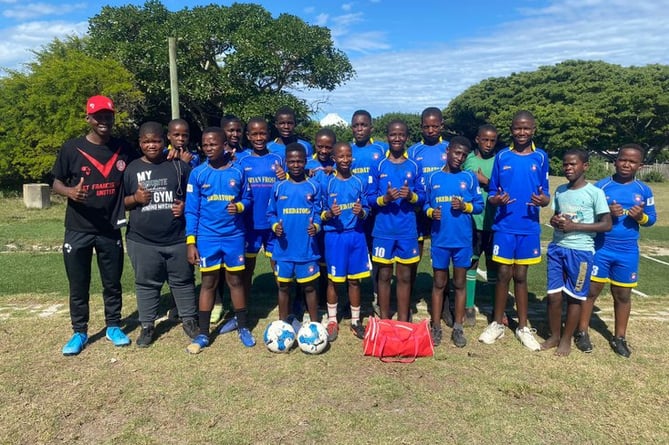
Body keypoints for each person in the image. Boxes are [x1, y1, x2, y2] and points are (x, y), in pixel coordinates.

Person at [52, 95, 137, 355]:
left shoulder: (123, 148)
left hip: (110, 227)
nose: (103, 120)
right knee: (79, 284)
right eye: (98, 116)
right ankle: (79, 331)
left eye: (107, 115)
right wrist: (69, 192)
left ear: (113, 117)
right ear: (88, 118)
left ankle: (113, 325)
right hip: (78, 228)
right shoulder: (72, 148)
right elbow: (54, 181)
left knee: (112, 283)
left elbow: (148, 161)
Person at [575, 143, 656, 357]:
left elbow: (651, 220)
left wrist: (641, 217)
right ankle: (581, 331)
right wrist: (607, 213)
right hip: (601, 248)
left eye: (632, 161)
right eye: (623, 159)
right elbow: (588, 216)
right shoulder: (601, 187)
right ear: (615, 160)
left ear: (641, 165)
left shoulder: (643, 190)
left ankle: (620, 337)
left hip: (627, 251)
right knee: (591, 291)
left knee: (622, 294)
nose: (626, 164)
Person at [478, 110, 550, 351]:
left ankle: (523, 326)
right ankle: (497, 323)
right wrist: (497, 200)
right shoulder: (502, 157)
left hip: (528, 227)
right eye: (518, 128)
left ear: (533, 129)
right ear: (511, 130)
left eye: (526, 128)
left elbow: (546, 194)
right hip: (504, 227)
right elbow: (493, 193)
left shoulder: (541, 157)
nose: (522, 132)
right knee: (503, 275)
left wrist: (543, 201)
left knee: (521, 276)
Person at [123, 121, 199, 347]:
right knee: (146, 283)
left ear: (163, 140)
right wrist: (135, 199)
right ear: (139, 143)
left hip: (177, 237)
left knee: (183, 281)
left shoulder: (178, 166)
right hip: (142, 240)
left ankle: (189, 320)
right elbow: (121, 203)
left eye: (156, 141)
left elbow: (196, 198)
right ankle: (147, 326)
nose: (152, 145)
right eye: (146, 142)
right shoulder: (132, 169)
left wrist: (184, 205)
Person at [184, 127, 255, 354]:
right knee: (208, 283)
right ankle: (204, 333)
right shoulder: (198, 173)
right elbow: (191, 211)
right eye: (205, 145)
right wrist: (191, 242)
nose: (209, 148)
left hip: (234, 236)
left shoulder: (239, 171)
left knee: (235, 281)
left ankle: (243, 326)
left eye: (213, 144)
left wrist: (240, 206)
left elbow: (248, 198)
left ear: (225, 145)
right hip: (207, 237)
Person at [541, 149, 611, 356]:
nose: (568, 168)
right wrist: (554, 222)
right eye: (565, 164)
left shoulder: (595, 193)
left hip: (581, 252)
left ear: (585, 166)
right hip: (557, 248)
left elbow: (606, 224)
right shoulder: (561, 190)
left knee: (574, 297)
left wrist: (575, 227)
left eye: (573, 164)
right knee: (553, 296)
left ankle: (566, 339)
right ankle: (554, 335)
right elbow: (557, 217)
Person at [423, 136, 483, 347]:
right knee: (439, 283)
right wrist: (431, 212)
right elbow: (425, 205)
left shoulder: (469, 178)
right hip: (440, 240)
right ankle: (436, 326)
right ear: (447, 151)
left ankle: (458, 327)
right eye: (457, 153)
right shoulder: (433, 178)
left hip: (462, 240)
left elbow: (478, 205)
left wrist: (464, 207)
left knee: (459, 283)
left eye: (464, 155)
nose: (459, 158)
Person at [368, 120, 425, 322]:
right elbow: (369, 198)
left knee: (404, 276)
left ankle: (402, 320)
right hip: (383, 230)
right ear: (388, 136)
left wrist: (411, 196)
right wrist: (386, 199)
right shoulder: (378, 166)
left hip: (407, 230)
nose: (397, 138)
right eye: (393, 134)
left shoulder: (415, 166)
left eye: (401, 134)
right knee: (383, 276)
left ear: (407, 137)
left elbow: (423, 197)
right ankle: (384, 320)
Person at [266, 143, 322, 331]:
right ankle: (283, 326)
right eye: (292, 161)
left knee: (309, 288)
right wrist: (275, 227)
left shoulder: (314, 186)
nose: (296, 165)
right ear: (286, 162)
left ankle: (315, 326)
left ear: (305, 162)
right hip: (283, 249)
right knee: (283, 287)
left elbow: (320, 213)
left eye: (299, 161)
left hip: (306, 249)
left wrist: (315, 226)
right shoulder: (278, 186)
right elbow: (270, 213)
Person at [320, 142, 372, 341]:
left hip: (356, 236)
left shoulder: (359, 182)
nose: (345, 160)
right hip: (335, 237)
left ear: (352, 158)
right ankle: (333, 320)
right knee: (334, 280)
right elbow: (319, 214)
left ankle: (356, 321)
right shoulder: (327, 184)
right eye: (340, 156)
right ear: (334, 158)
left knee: (354, 280)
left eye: (348, 156)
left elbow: (367, 208)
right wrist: (329, 214)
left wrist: (362, 212)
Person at [238, 117, 285, 315]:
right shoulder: (242, 161)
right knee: (247, 269)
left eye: (262, 133)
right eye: (254, 134)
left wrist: (285, 177)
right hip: (250, 224)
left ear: (268, 135)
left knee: (279, 268)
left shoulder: (277, 159)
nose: (259, 137)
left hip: (273, 224)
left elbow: (287, 187)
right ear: (248, 136)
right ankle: (243, 310)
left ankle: (287, 309)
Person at [407, 107, 449, 323]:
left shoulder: (449, 148)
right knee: (415, 256)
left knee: (443, 257)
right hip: (419, 211)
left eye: (435, 125)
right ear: (421, 127)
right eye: (426, 126)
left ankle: (445, 304)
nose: (431, 129)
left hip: (444, 211)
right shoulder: (414, 151)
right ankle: (409, 299)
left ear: (441, 125)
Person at [350, 109, 386, 314]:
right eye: (356, 125)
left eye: (363, 125)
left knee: (377, 256)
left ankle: (377, 296)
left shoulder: (381, 149)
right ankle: (352, 298)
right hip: (353, 212)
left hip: (376, 211)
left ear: (371, 127)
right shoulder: (347, 150)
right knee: (355, 253)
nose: (360, 128)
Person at [462, 124, 499, 326]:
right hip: (473, 221)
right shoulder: (468, 160)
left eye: (492, 140)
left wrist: (485, 180)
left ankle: (495, 308)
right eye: (484, 139)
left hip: (494, 222)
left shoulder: (500, 160)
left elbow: (504, 185)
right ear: (477, 139)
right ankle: (468, 306)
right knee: (472, 263)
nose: (488, 144)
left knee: (493, 265)